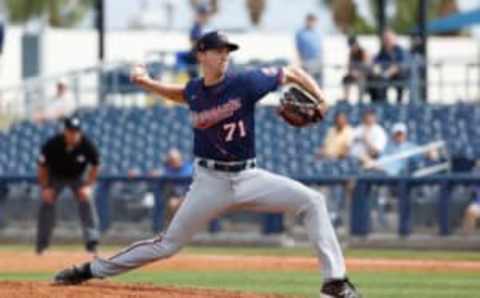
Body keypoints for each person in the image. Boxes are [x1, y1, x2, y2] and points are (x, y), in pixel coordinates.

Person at [53, 31, 361, 298]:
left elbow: (292, 72)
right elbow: (181, 95)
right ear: (202, 54)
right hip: (209, 182)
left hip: (248, 176)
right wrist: (147, 82)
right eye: (218, 50)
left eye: (228, 50)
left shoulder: (246, 82)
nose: (225, 55)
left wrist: (321, 99)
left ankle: (334, 282)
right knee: (167, 245)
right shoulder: (195, 90)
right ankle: (91, 268)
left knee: (313, 201)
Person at [36, 116, 100, 255]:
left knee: (87, 200)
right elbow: (42, 167)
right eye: (70, 131)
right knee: (46, 203)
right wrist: (46, 187)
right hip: (55, 176)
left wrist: (88, 186)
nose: (73, 134)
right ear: (65, 131)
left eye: (76, 131)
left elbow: (96, 166)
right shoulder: (52, 144)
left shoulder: (87, 145)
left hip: (78, 177)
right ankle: (42, 246)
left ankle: (92, 243)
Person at [150, 148, 193, 225]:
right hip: (176, 197)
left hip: (191, 196)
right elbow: (156, 173)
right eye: (171, 160)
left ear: (180, 158)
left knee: (177, 203)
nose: (174, 161)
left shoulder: (189, 168)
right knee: (172, 203)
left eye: (176, 159)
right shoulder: (168, 169)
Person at [368, 29, 409, 103]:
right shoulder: (382, 52)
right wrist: (375, 68)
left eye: (388, 39)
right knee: (373, 79)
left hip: (399, 76)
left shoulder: (400, 51)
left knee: (396, 78)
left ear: (394, 39)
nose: (386, 41)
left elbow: (399, 65)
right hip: (385, 77)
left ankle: (398, 104)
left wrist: (386, 73)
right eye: (385, 39)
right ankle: (378, 103)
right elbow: (375, 62)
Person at [295, 13, 323, 86]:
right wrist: (300, 61)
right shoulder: (301, 33)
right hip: (306, 61)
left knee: (318, 84)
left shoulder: (318, 33)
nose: (312, 23)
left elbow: (320, 48)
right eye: (311, 21)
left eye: (314, 21)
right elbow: (298, 48)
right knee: (307, 84)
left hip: (317, 61)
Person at [341, 35, 371, 102]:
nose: (352, 47)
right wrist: (352, 72)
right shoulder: (351, 53)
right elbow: (349, 66)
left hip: (364, 75)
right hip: (354, 74)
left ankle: (360, 100)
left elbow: (367, 67)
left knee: (361, 80)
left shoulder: (363, 52)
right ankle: (346, 98)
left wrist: (358, 73)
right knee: (346, 79)